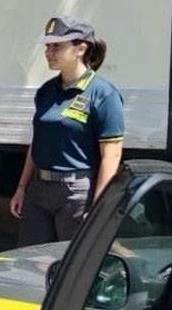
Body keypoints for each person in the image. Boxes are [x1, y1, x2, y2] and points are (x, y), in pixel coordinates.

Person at [10, 16, 124, 246]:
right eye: (47, 46)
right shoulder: (46, 91)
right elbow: (37, 142)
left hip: (77, 193)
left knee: (71, 261)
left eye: (56, 46)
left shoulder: (103, 94)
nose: (48, 52)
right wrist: (22, 187)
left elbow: (111, 156)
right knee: (32, 258)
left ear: (80, 48)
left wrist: (98, 207)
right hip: (39, 189)